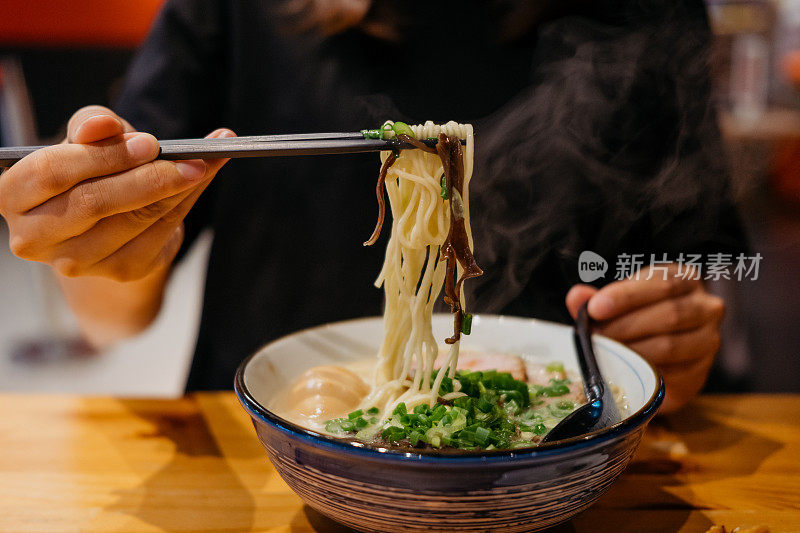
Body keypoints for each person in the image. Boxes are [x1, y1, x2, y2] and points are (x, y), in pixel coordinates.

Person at [0, 0, 741, 411]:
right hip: (274, 449)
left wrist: (669, 339)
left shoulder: (649, 14)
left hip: (561, 457)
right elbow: (111, 310)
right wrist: (100, 243)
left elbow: (694, 267)